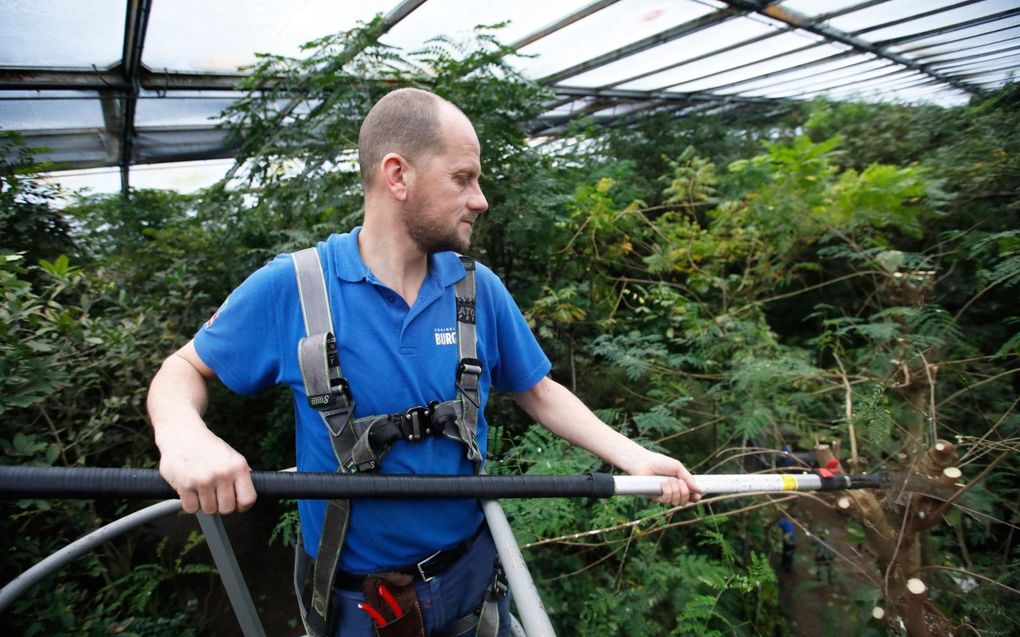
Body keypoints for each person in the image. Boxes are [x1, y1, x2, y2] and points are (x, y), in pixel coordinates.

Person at [147, 87, 702, 637]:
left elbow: (538, 390)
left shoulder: (475, 290)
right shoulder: (296, 288)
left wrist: (634, 457)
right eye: (463, 178)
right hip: (358, 605)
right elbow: (183, 369)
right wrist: (184, 435)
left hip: (470, 579)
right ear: (398, 176)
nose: (480, 198)